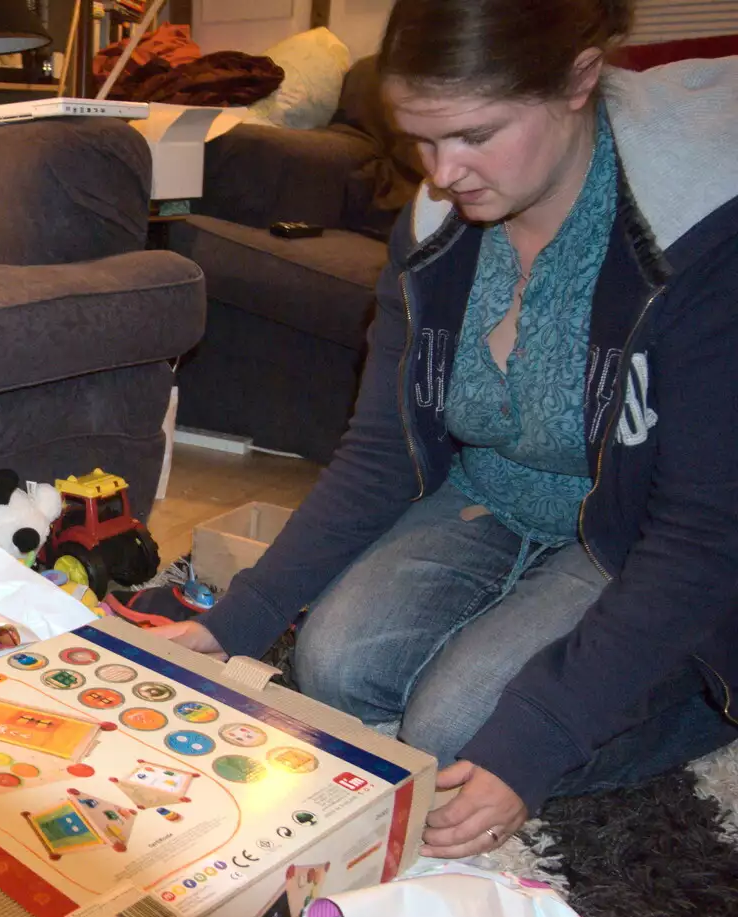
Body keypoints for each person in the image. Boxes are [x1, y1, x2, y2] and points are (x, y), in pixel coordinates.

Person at [155, 0, 738, 859]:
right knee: (335, 666)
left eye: (473, 135)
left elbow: (699, 535)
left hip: (641, 533)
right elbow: (379, 453)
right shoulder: (434, 231)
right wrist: (238, 618)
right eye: (420, 141)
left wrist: (540, 738)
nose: (442, 174)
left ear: (580, 79)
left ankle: (703, 696)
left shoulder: (695, 243)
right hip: (491, 497)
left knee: (462, 730)